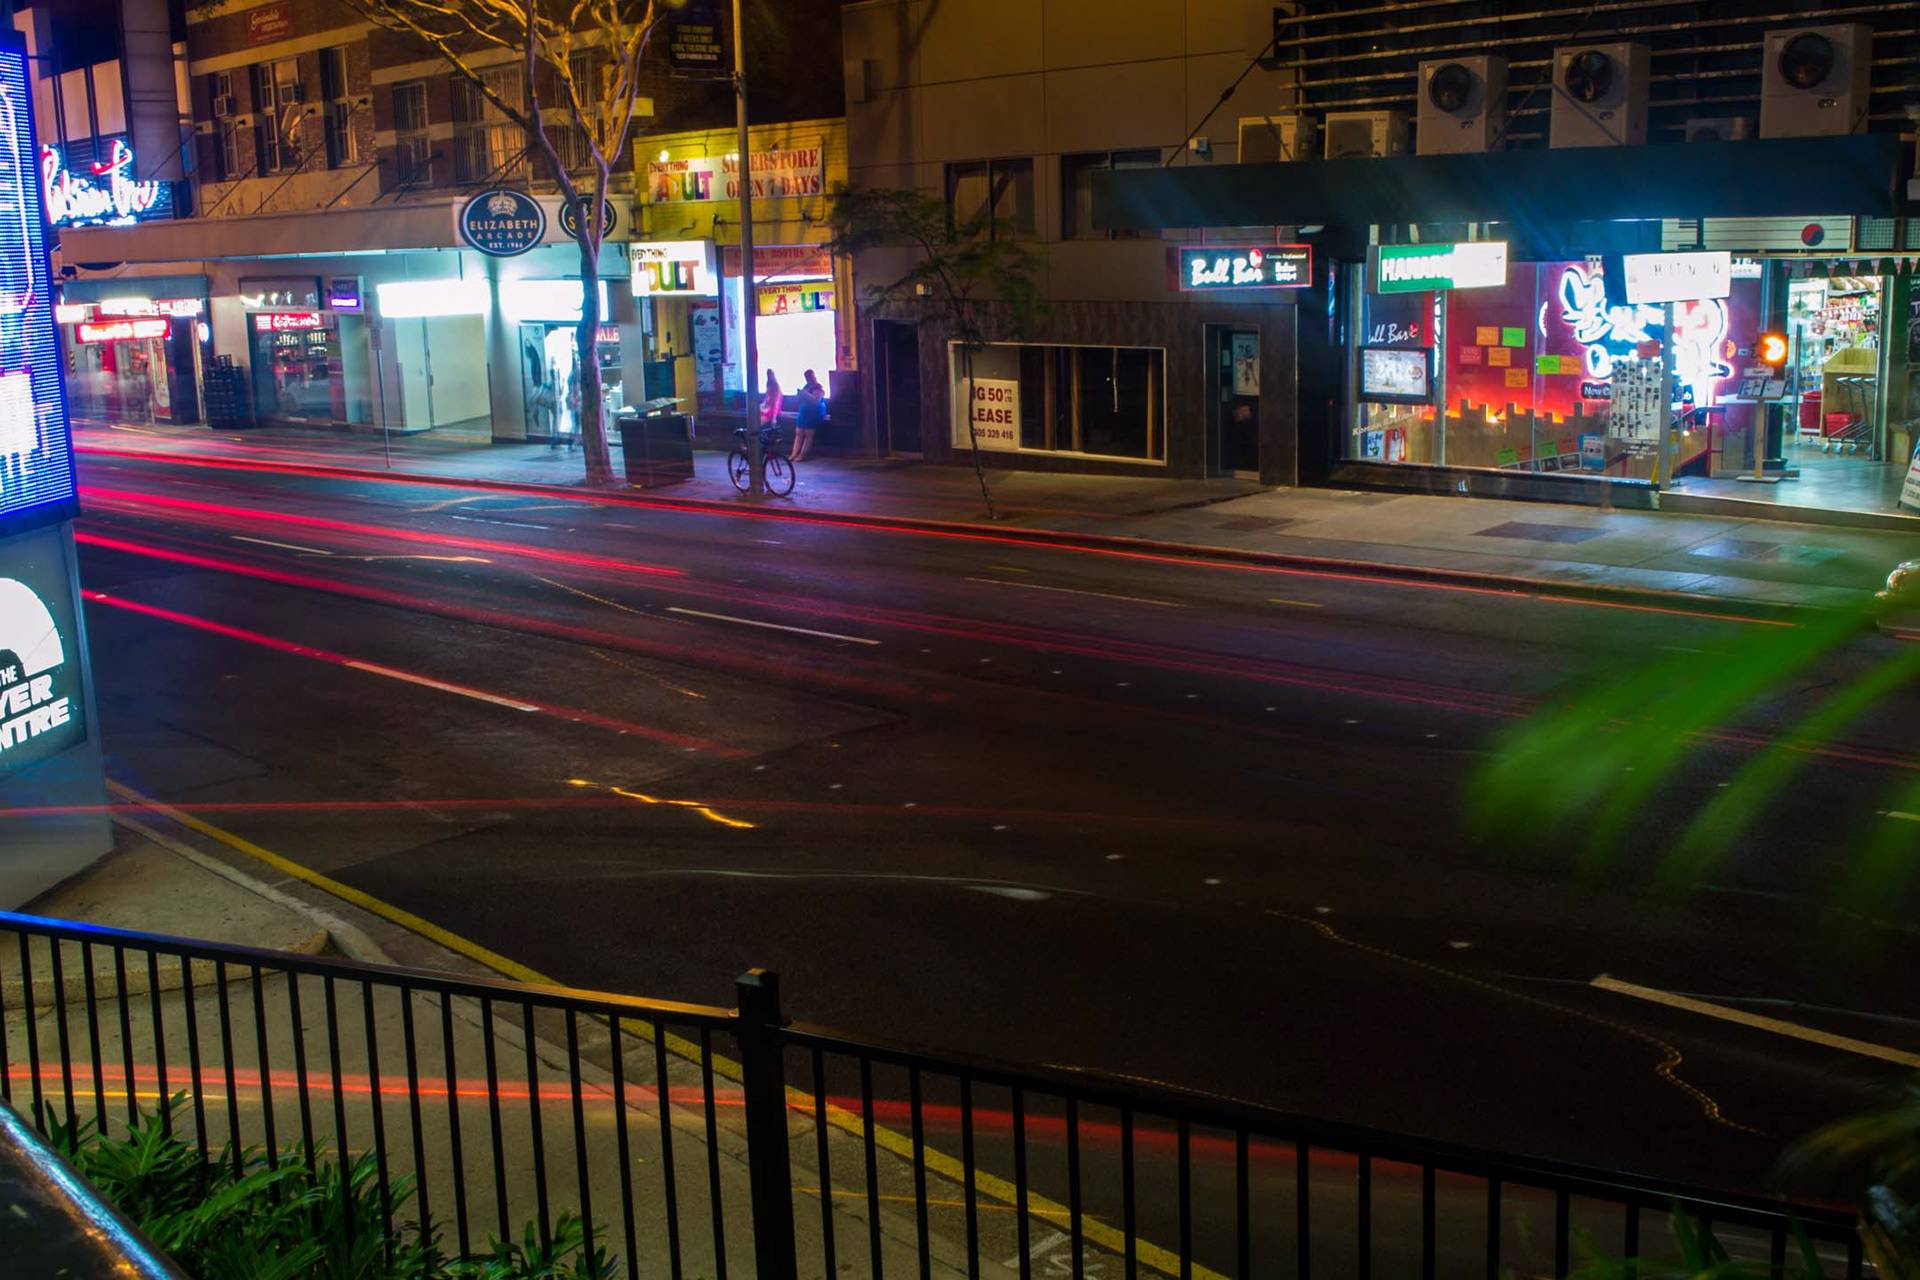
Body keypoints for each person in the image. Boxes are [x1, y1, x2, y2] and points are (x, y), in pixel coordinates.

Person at [792, 369, 826, 462]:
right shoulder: (806, 387)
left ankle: (802, 455)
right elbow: (800, 400)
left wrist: (806, 394)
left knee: (808, 434)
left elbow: (816, 401)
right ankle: (794, 453)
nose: (809, 379)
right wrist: (799, 394)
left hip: (814, 413)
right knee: (798, 433)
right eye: (807, 377)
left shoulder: (818, 387)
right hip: (804, 412)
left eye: (810, 377)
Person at [759, 370, 784, 446]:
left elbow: (776, 403)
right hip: (767, 407)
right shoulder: (768, 384)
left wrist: (774, 418)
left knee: (757, 424)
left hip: (772, 409)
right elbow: (766, 398)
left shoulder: (776, 387)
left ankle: (758, 440)